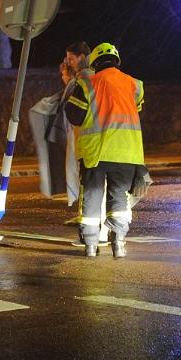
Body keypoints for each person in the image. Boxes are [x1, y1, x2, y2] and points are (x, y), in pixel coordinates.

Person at [65, 42, 146, 258]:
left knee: (92, 197)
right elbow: (136, 108)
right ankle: (118, 243)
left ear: (94, 63)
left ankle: (91, 245)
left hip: (95, 153)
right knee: (119, 198)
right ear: (117, 60)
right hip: (127, 152)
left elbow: (74, 114)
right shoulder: (135, 84)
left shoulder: (87, 83)